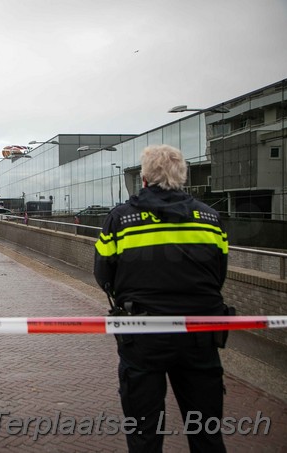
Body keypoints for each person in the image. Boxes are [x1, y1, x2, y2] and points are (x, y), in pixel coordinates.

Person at [94, 144, 229, 453]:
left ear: (143, 178)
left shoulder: (121, 219)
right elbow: (219, 275)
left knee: (144, 434)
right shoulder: (210, 219)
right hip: (200, 334)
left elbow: (103, 274)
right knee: (207, 432)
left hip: (143, 335)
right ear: (182, 177)